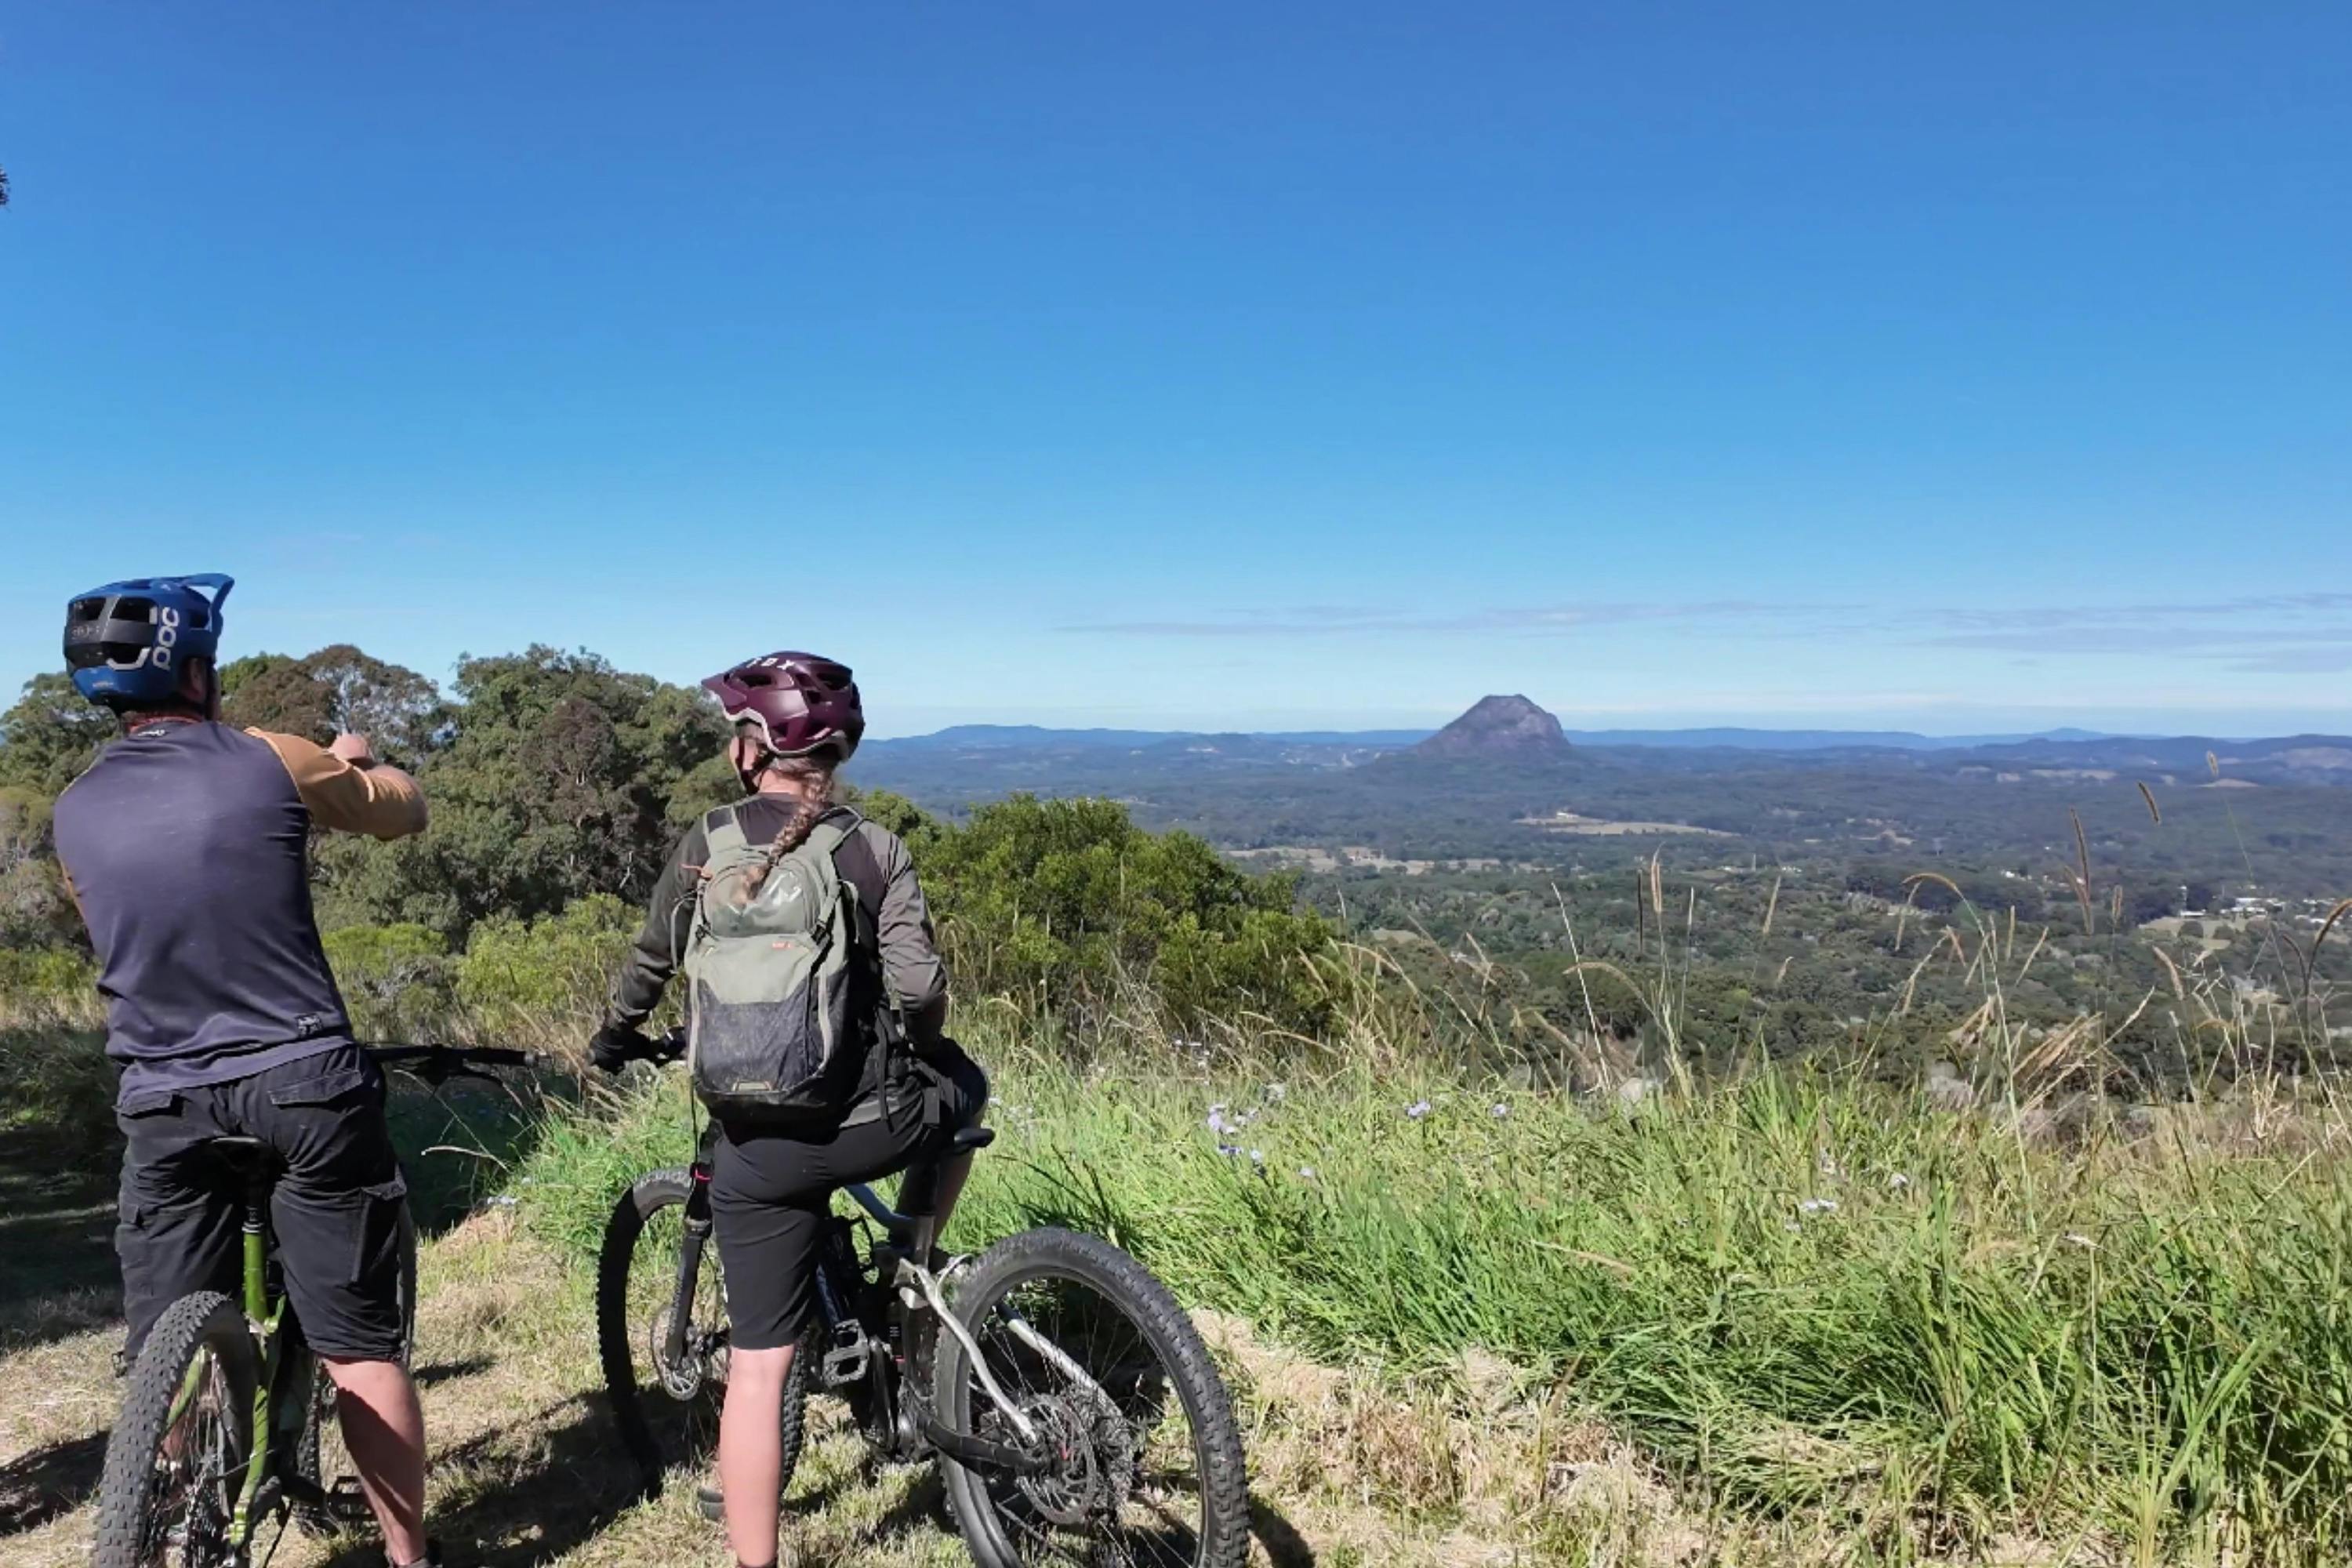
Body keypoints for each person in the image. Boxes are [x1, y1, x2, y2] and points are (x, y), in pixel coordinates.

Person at [50, 575, 441, 1568]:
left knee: (160, 1351)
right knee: (360, 1347)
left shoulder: (74, 807)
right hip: (302, 1077)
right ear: (195, 670)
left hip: (162, 1093)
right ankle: (411, 1559)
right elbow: (401, 814)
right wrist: (361, 764)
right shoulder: (272, 756)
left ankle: (164, 1520)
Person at [592, 651, 987, 1568]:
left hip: (759, 1149)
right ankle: (915, 1261)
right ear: (835, 750)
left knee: (760, 1371)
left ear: (751, 748)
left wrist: (614, 1036)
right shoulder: (871, 846)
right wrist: (918, 1048)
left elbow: (652, 962)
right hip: (872, 1127)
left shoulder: (705, 841)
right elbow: (923, 991)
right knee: (966, 1085)